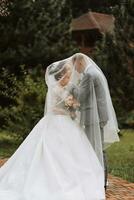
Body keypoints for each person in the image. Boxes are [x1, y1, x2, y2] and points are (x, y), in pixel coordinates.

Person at [0, 58, 105, 200]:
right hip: (56, 122)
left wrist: (72, 108)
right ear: (60, 76)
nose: (69, 79)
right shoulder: (55, 89)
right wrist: (68, 108)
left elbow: (73, 105)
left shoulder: (66, 89)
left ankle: (75, 178)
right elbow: (53, 108)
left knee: (74, 152)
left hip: (67, 122)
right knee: (54, 151)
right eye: (66, 76)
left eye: (69, 76)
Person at [69, 53, 120, 189]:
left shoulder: (89, 75)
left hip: (94, 118)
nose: (76, 70)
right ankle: (100, 179)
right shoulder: (94, 71)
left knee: (96, 148)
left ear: (80, 62)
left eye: (75, 67)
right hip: (98, 116)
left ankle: (101, 181)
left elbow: (81, 96)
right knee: (97, 147)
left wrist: (71, 86)